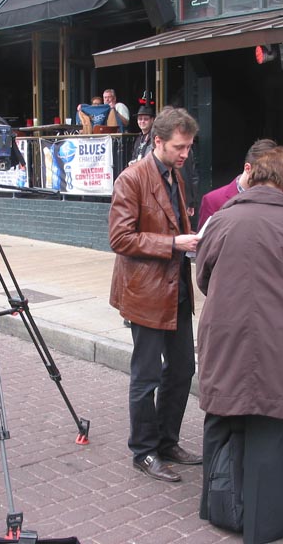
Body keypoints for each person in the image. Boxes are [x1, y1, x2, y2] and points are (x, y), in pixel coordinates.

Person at [196, 147, 283, 543]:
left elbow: (204, 277)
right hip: (280, 339)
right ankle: (264, 521)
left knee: (222, 414)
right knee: (269, 424)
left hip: (224, 333)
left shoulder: (221, 219)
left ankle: (217, 505)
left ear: (251, 176)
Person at [109, 106, 202, 483]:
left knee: (182, 368)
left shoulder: (174, 175)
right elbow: (119, 238)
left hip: (174, 289)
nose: (185, 154)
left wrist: (190, 242)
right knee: (146, 376)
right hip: (146, 293)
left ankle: (167, 441)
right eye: (180, 147)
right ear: (157, 141)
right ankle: (144, 451)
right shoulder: (132, 178)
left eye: (189, 147)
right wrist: (173, 242)